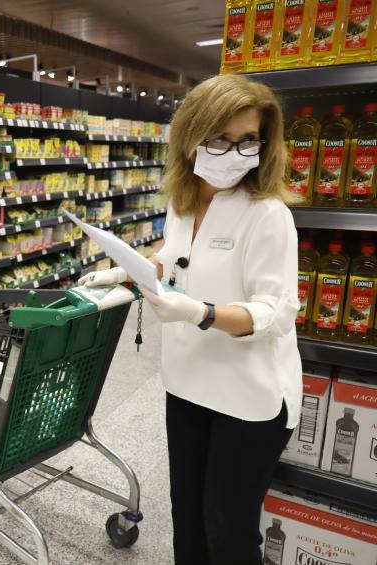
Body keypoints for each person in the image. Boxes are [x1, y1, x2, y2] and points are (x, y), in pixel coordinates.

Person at [81, 74, 301, 564]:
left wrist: (199, 312)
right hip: (187, 384)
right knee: (188, 522)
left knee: (227, 531)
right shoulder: (183, 201)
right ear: (191, 137)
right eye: (221, 138)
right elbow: (177, 255)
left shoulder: (268, 215)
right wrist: (128, 269)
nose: (235, 152)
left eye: (248, 140)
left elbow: (276, 312)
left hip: (249, 397)